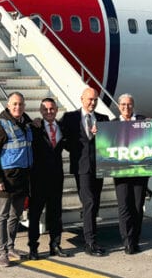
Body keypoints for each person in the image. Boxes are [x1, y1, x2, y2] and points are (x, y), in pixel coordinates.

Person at [0, 92, 33, 267]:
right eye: (14, 104)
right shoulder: (0, 127)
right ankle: (2, 252)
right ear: (8, 106)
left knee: (15, 215)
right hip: (5, 179)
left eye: (20, 104)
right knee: (2, 216)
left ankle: (11, 247)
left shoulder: (26, 125)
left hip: (22, 177)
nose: (17, 107)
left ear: (24, 106)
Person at [61, 87, 110, 257]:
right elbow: (63, 139)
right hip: (81, 167)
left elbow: (112, 139)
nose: (93, 103)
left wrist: (100, 136)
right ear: (82, 99)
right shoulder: (70, 118)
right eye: (90, 99)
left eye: (95, 100)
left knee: (94, 203)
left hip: (99, 167)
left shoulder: (103, 119)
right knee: (89, 202)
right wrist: (78, 147)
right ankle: (90, 242)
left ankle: (89, 233)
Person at [27, 97, 71, 260]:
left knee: (55, 213)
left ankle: (55, 245)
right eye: (45, 109)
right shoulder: (34, 127)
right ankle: (33, 248)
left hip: (56, 177)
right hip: (38, 178)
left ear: (56, 110)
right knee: (35, 214)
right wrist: (33, 121)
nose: (49, 112)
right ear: (40, 111)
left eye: (52, 109)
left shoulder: (62, 127)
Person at [111, 93, 148, 255]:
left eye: (129, 104)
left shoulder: (143, 121)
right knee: (124, 207)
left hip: (140, 172)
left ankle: (135, 239)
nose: (126, 107)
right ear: (118, 106)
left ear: (133, 106)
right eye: (123, 104)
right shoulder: (112, 124)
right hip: (121, 173)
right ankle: (127, 241)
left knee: (138, 207)